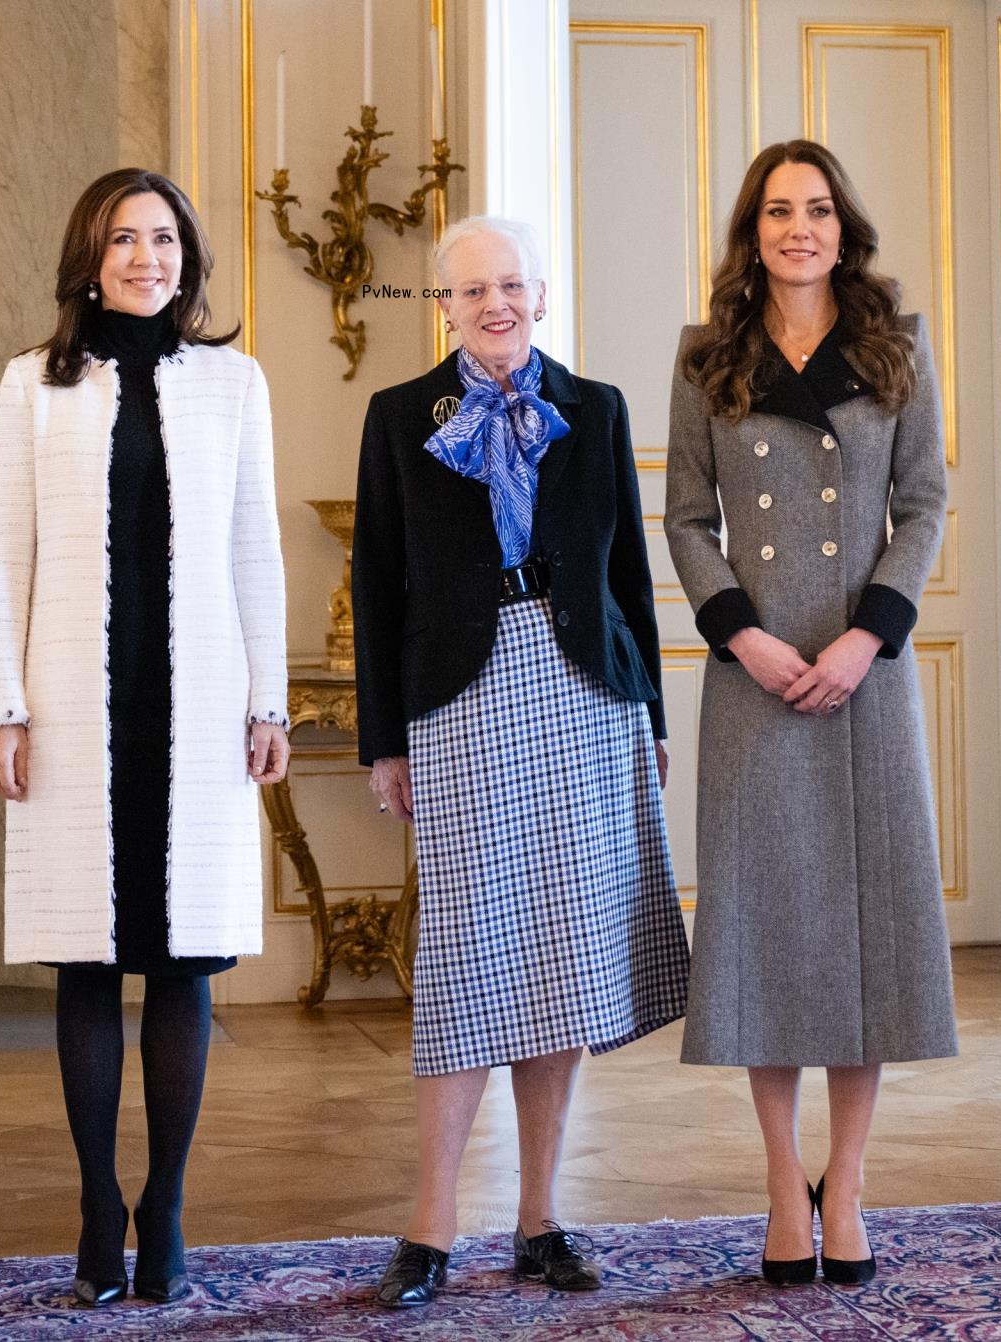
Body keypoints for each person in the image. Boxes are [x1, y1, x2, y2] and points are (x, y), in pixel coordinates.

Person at [351, 215, 689, 1308]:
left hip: (587, 689)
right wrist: (384, 739)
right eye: (471, 290)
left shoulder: (598, 410)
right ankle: (430, 1224)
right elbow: (377, 587)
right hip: (459, 696)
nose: (494, 303)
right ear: (442, 306)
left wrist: (655, 713)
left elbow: (630, 572)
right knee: (465, 954)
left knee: (562, 951)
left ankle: (540, 1215)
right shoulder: (402, 419)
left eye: (512, 285)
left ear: (541, 294)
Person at [0, 167, 290, 1307]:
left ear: (187, 257)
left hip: (198, 705)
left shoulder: (233, 383)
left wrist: (269, 701)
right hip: (73, 703)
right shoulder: (32, 385)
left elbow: (257, 545)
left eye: (164, 239)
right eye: (124, 240)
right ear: (89, 257)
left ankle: (166, 1204)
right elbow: (4, 554)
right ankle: (97, 1204)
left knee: (183, 961)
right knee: (88, 959)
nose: (146, 258)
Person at [664, 140, 957, 1289]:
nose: (800, 228)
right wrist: (743, 632)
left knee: (865, 942)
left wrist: (865, 634)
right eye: (779, 211)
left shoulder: (896, 348)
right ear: (754, 230)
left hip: (865, 677)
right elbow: (688, 518)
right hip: (756, 677)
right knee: (765, 938)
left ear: (844, 226)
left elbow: (923, 504)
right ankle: (786, 1182)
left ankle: (854, 1179)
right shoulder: (707, 358)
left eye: (819, 209)